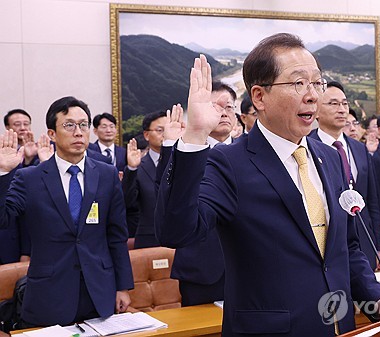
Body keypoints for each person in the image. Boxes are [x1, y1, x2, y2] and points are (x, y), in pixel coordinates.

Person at [155, 33, 380, 336]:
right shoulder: (229, 162)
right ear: (259, 97)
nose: (311, 95)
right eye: (297, 83)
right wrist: (194, 137)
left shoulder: (329, 158)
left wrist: (376, 297)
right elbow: (176, 230)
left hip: (337, 325)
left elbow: (345, 246)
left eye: (316, 83)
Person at [0, 96, 133, 327]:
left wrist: (122, 286)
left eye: (83, 125)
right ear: (52, 134)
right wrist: (3, 173)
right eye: (69, 125)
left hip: (99, 291)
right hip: (49, 293)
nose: (78, 132)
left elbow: (116, 235)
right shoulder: (29, 178)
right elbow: (3, 219)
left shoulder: (106, 174)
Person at [155, 83, 237, 307]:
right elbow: (166, 200)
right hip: (201, 269)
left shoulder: (250, 153)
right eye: (214, 107)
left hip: (247, 267)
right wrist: (171, 145)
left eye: (228, 107)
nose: (222, 112)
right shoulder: (185, 151)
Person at [309, 81, 380, 270]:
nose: (342, 109)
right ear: (316, 111)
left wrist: (378, 248)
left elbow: (372, 201)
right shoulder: (307, 148)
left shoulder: (359, 148)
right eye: (333, 104)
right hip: (330, 240)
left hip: (363, 239)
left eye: (344, 103)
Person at [122, 110, 167, 248]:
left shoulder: (183, 163)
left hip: (183, 238)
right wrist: (131, 169)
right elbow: (127, 201)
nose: (165, 135)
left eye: (169, 130)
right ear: (147, 135)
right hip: (149, 238)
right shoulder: (138, 166)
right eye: (160, 130)